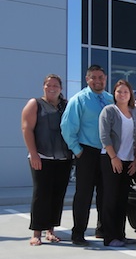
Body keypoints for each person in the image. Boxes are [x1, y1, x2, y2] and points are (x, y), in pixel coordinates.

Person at [61, 64, 113, 246]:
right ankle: (78, 233)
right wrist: (77, 150)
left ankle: (102, 229)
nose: (98, 81)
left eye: (101, 77)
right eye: (94, 78)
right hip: (86, 151)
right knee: (84, 194)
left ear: (105, 78)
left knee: (105, 193)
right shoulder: (79, 100)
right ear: (87, 79)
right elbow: (67, 127)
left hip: (106, 153)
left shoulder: (110, 99)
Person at [21, 74, 73, 246]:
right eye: (48, 85)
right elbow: (27, 129)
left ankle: (51, 230)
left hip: (63, 158)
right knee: (41, 194)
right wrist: (33, 153)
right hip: (41, 157)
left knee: (57, 194)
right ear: (43, 87)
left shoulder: (66, 106)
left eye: (55, 85)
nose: (52, 88)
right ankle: (37, 232)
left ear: (61, 88)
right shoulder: (35, 104)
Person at [99, 80, 136, 247]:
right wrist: (114, 157)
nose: (122, 94)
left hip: (129, 161)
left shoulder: (134, 113)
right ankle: (109, 237)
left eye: (125, 92)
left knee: (123, 200)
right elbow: (104, 136)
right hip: (111, 159)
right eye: (119, 92)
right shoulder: (109, 111)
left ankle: (120, 235)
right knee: (110, 199)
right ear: (114, 94)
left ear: (130, 94)